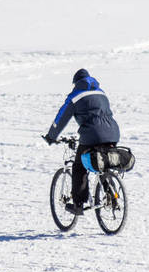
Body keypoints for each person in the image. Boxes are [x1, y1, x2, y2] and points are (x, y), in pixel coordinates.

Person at [43, 69, 120, 215]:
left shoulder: (75, 96)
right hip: (113, 133)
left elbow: (61, 118)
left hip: (92, 135)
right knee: (102, 164)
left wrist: (51, 136)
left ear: (76, 83)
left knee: (79, 167)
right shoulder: (101, 93)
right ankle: (112, 196)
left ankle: (78, 204)